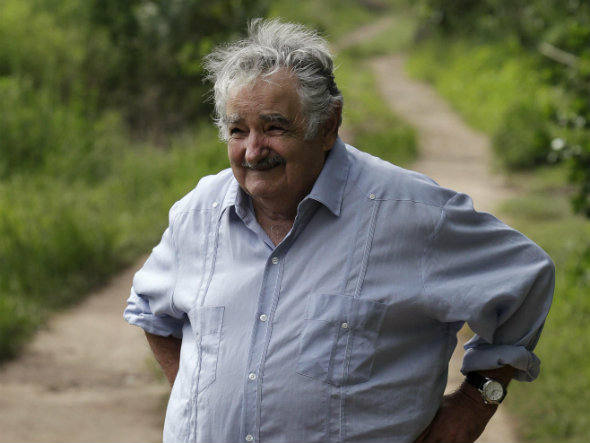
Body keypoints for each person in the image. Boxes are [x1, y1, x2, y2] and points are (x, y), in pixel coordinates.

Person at [124, 18, 555, 443]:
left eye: (274, 127)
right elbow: (150, 310)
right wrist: (198, 403)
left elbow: (525, 277)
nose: (253, 151)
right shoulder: (199, 213)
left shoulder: (409, 214)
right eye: (238, 131)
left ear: (328, 125)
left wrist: (474, 404)